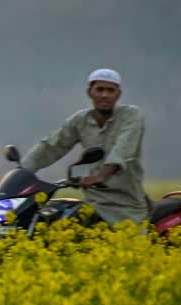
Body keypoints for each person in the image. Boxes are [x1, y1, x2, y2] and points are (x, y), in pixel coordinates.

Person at [19, 68, 151, 226]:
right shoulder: (80, 120)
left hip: (127, 202)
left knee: (130, 244)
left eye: (110, 90)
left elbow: (123, 150)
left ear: (118, 94)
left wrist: (100, 176)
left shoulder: (131, 115)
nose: (105, 95)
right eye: (100, 89)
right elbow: (51, 146)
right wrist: (21, 173)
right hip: (94, 200)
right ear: (90, 92)